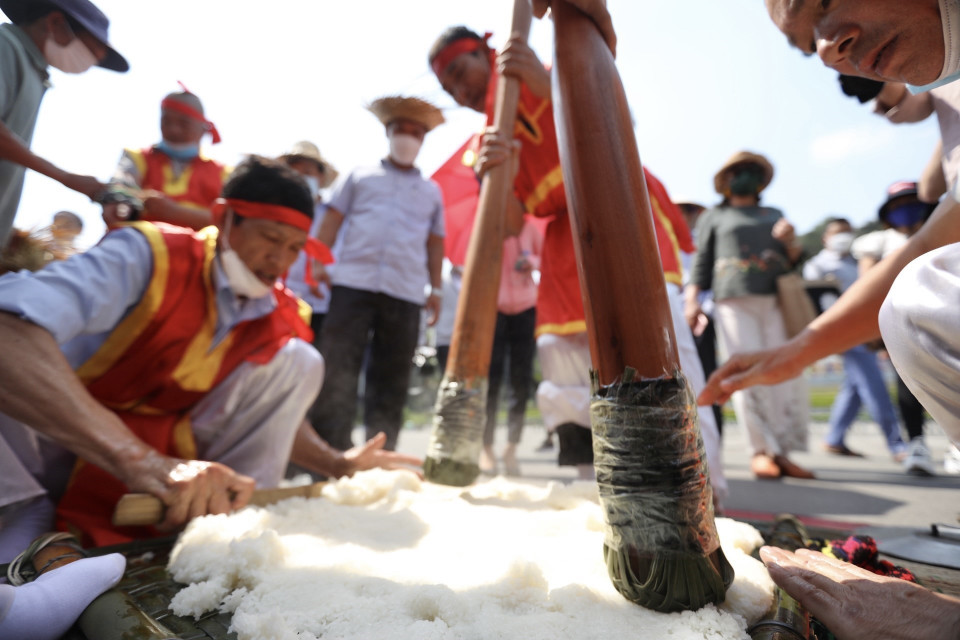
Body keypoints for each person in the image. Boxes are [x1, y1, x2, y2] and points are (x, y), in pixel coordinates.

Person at [0, 155, 416, 558]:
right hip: (43, 438)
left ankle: (226, 528)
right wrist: (139, 461)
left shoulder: (274, 311)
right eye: (271, 238)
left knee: (299, 360)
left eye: (294, 248)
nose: (280, 260)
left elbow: (277, 415)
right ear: (224, 217)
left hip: (159, 454)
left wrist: (337, 463)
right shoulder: (148, 254)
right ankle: (25, 534)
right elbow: (7, 329)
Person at [430, 27, 727, 506]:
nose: (458, 90)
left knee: (661, 352)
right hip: (564, 241)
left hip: (618, 205)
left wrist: (546, 88)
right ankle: (606, 491)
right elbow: (509, 224)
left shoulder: (552, 70)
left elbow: (617, 121)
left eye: (459, 72)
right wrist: (493, 178)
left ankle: (698, 489)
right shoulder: (487, 138)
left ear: (486, 54)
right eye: (447, 87)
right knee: (561, 352)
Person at [308, 96, 445, 452]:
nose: (408, 137)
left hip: (405, 292)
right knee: (338, 366)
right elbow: (333, 219)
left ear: (424, 140)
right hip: (352, 284)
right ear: (388, 131)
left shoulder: (431, 192)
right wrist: (318, 263)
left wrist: (437, 289)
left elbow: (435, 243)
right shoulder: (359, 175)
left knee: (392, 375)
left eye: (416, 132)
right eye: (402, 129)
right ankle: (331, 453)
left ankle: (381, 452)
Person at [685, 151, 812, 480]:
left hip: (775, 299)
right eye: (738, 171)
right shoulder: (715, 215)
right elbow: (703, 259)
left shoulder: (774, 213)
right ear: (726, 181)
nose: (744, 176)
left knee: (785, 370)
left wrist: (792, 242)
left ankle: (782, 451)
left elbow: (793, 261)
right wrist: (692, 298)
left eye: (751, 171)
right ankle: (760, 450)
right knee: (745, 369)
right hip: (733, 299)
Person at [0, 0, 127, 246]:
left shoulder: (34, 74)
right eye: (93, 49)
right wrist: (65, 177)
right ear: (56, 23)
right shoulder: (6, 47)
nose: (94, 60)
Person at [802, 217, 907, 461]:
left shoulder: (859, 261)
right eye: (838, 233)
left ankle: (834, 438)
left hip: (866, 330)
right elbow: (815, 303)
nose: (844, 237)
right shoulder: (816, 265)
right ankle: (897, 445)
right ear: (825, 238)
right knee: (874, 386)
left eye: (848, 233)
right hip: (843, 331)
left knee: (855, 386)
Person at [104, 88, 229, 230]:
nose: (173, 129)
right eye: (166, 121)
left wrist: (174, 212)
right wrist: (117, 202)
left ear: (203, 130)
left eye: (184, 123)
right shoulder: (137, 157)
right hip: (137, 244)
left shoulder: (223, 173)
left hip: (200, 250)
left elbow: (232, 222)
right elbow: (121, 185)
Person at [481, 216, 542, 477]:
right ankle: (486, 447)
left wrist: (532, 262)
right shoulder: (489, 223)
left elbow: (545, 258)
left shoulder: (530, 227)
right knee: (491, 381)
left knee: (521, 381)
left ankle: (511, 447)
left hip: (527, 308)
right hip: (494, 308)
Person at [279, 140, 339, 341]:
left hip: (320, 305)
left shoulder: (334, 215)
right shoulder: (274, 213)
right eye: (293, 171)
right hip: (278, 300)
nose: (300, 177)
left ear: (321, 177)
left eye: (307, 171)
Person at [677, 200, 724, 439]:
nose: (684, 216)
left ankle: (712, 441)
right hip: (672, 319)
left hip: (700, 319)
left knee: (705, 379)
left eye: (688, 211)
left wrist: (700, 309)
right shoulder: (662, 242)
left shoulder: (703, 242)